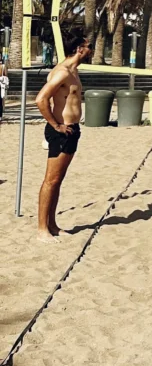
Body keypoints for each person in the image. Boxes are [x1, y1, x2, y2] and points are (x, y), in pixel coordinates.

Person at [33, 35, 92, 241]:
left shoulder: (74, 71)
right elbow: (41, 99)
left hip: (71, 130)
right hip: (61, 131)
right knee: (51, 180)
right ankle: (42, 229)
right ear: (79, 49)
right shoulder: (62, 72)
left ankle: (52, 225)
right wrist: (56, 125)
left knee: (58, 181)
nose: (90, 50)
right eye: (88, 46)